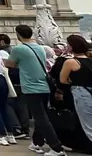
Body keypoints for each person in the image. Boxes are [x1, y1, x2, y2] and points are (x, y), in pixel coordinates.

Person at [5, 24, 65, 155]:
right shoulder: (40, 48)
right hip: (44, 86)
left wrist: (0, 60)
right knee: (41, 116)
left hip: (31, 88)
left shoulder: (19, 49)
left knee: (42, 118)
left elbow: (11, 64)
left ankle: (56, 147)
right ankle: (36, 142)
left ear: (18, 35)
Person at [58, 34, 92, 145]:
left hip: (81, 92)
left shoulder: (70, 62)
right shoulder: (89, 60)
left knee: (88, 125)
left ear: (72, 47)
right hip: (89, 89)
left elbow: (63, 80)